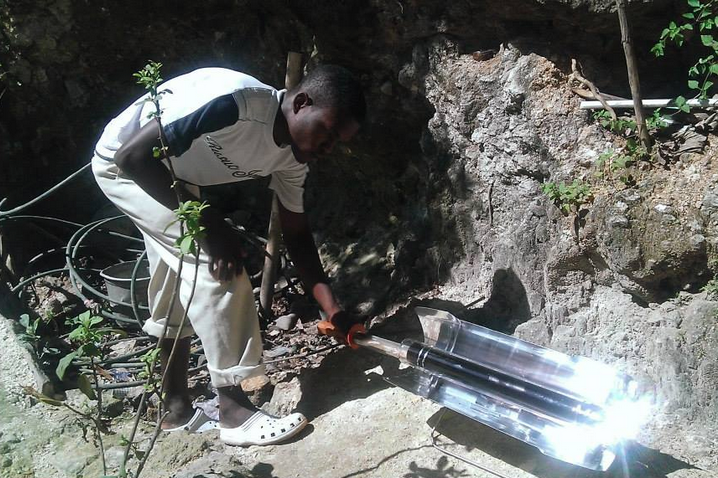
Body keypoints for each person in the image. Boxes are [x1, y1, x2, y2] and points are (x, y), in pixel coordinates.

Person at [91, 64, 366, 446]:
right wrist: (212, 226)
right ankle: (234, 411)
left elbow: (298, 236)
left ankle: (176, 409)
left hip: (172, 178)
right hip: (127, 167)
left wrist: (332, 309)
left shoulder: (292, 161)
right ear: (301, 103)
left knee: (179, 277)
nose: (329, 148)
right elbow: (133, 157)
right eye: (329, 132)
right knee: (219, 267)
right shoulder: (237, 105)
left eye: (339, 142)